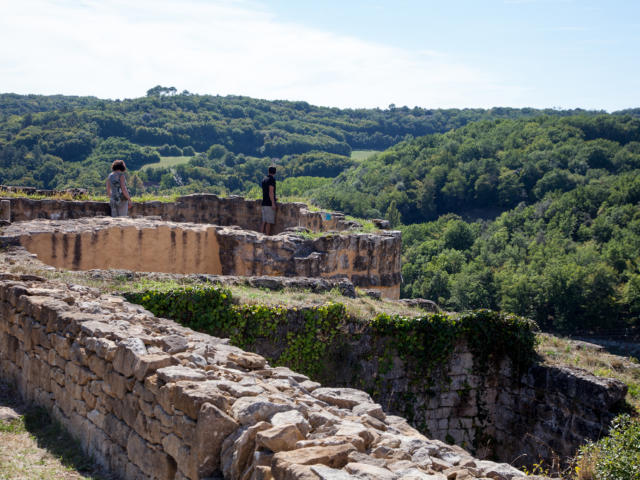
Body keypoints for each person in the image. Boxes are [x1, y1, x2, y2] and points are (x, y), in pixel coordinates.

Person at [261, 166, 277, 235]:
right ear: (275, 172)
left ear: (268, 171)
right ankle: (267, 237)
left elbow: (266, 191)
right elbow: (271, 192)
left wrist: (274, 198)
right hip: (269, 203)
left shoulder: (264, 179)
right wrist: (273, 203)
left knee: (264, 221)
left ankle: (260, 235)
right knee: (268, 222)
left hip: (264, 202)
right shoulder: (271, 179)